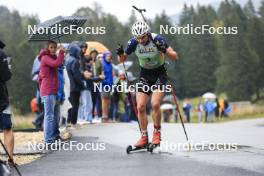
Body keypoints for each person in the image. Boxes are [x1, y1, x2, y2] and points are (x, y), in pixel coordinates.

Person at [116, 21, 178, 147]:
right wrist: (120, 54)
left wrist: (164, 50)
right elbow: (121, 60)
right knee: (140, 107)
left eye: (143, 37)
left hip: (160, 74)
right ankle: (144, 137)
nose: (141, 40)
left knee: (155, 104)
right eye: (138, 38)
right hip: (145, 75)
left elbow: (175, 56)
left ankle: (157, 132)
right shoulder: (133, 42)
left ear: (147, 33)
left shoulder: (157, 39)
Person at [38, 40, 64, 144]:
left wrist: (61, 55)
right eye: (51, 47)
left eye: (55, 47)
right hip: (48, 91)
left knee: (54, 115)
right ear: (47, 48)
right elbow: (56, 63)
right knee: (49, 116)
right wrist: (61, 53)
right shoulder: (45, 58)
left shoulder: (52, 57)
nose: (53, 49)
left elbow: (59, 63)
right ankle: (48, 140)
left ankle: (53, 137)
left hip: (54, 91)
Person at [65, 43, 91, 129]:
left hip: (69, 85)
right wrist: (82, 83)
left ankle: (69, 121)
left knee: (71, 104)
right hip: (75, 86)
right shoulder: (74, 61)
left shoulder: (67, 59)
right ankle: (73, 122)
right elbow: (77, 75)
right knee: (75, 105)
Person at [0, 40, 15, 164]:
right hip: (2, 97)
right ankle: (10, 159)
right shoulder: (2, 54)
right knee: (7, 128)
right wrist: (9, 69)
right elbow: (6, 76)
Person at [101, 51, 114, 123]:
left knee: (108, 101)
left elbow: (111, 76)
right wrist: (104, 82)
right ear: (104, 57)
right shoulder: (102, 64)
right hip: (104, 85)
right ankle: (104, 117)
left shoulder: (110, 64)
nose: (109, 58)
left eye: (110, 56)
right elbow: (101, 75)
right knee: (104, 101)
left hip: (110, 85)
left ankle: (107, 116)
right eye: (107, 56)